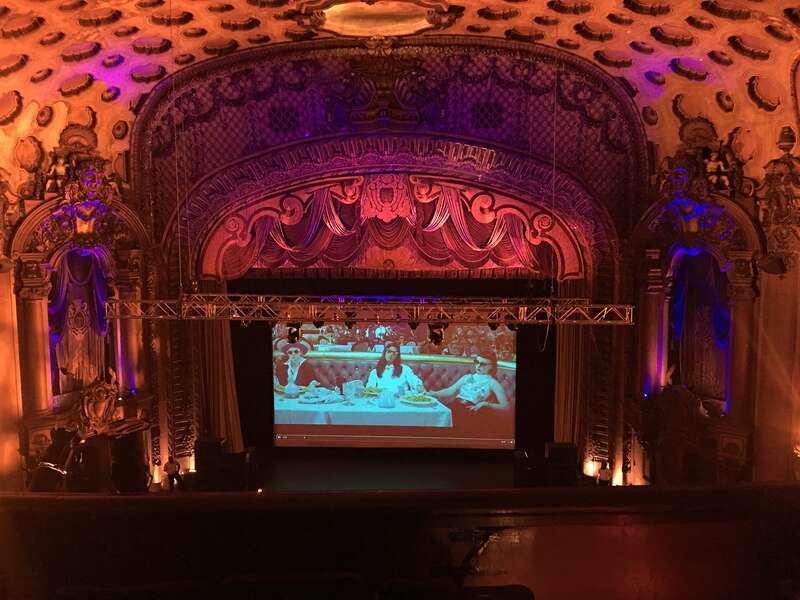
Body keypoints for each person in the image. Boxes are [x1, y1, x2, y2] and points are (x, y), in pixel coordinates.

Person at [429, 349, 509, 413]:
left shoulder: (492, 383)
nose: (478, 366)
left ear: (492, 366)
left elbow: (505, 406)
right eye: (477, 362)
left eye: (483, 364)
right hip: (455, 405)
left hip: (472, 411)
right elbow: (450, 391)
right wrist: (433, 393)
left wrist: (485, 404)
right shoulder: (467, 377)